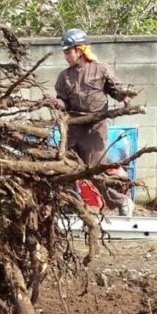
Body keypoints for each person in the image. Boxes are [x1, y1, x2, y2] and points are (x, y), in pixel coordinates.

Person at [52, 28, 137, 216]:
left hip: (94, 130)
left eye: (68, 51)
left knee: (94, 171)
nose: (66, 56)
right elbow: (63, 102)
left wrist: (124, 95)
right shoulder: (64, 76)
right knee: (65, 166)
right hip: (73, 128)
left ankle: (121, 201)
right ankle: (72, 204)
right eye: (64, 52)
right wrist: (55, 103)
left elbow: (116, 91)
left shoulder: (101, 69)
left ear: (80, 50)